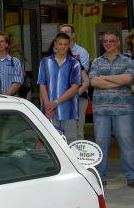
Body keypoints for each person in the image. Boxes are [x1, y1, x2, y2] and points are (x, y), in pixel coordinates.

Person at [89, 31, 134, 187]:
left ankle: (131, 176)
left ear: (118, 42)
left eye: (112, 41)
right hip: (101, 110)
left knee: (127, 143)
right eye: (105, 41)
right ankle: (100, 176)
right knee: (101, 143)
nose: (108, 43)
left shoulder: (127, 61)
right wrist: (118, 81)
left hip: (123, 110)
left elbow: (129, 78)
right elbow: (94, 82)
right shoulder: (96, 62)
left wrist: (104, 78)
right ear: (102, 44)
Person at [37, 33, 81, 144]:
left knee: (71, 144)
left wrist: (56, 102)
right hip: (51, 112)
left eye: (65, 44)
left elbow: (75, 87)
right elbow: (42, 84)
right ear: (55, 44)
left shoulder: (75, 63)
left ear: (69, 45)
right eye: (60, 44)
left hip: (69, 111)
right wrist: (48, 106)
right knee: (52, 143)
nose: (62, 47)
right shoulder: (45, 62)